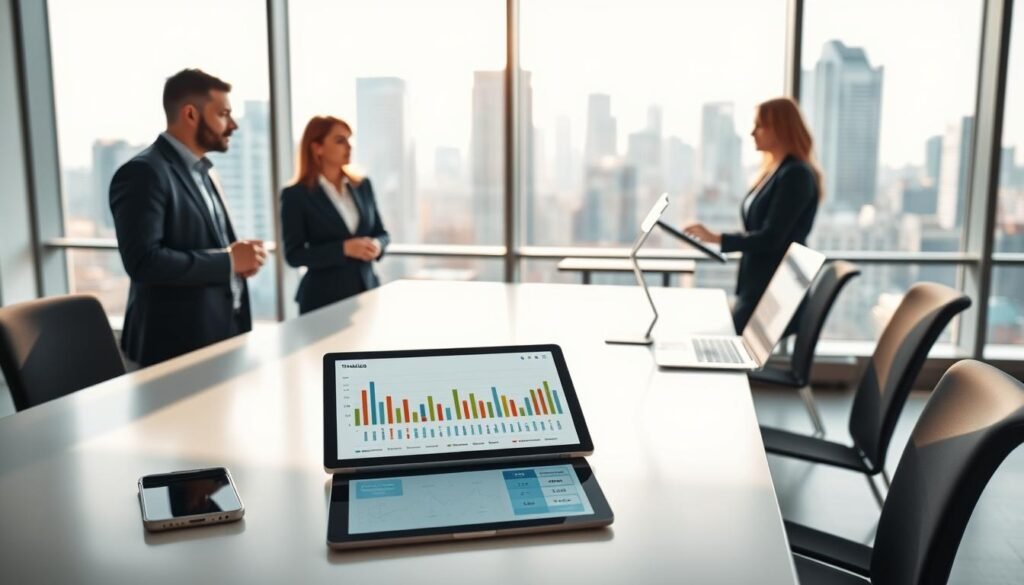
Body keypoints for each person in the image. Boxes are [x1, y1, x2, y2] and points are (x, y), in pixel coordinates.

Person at [109, 69, 266, 366]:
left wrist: (239, 260)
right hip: (172, 348)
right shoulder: (143, 173)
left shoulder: (206, 171)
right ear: (191, 114)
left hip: (219, 336)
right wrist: (229, 261)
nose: (232, 124)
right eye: (223, 114)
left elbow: (202, 244)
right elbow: (143, 262)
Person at [683, 97, 822, 333]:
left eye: (759, 125)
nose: (752, 132)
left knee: (722, 348)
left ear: (780, 128)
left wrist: (718, 238)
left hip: (774, 290)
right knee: (720, 342)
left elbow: (771, 237)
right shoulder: (775, 171)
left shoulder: (795, 174)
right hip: (758, 286)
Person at [280, 116, 390, 314]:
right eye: (340, 140)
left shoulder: (362, 186)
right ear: (317, 148)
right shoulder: (295, 195)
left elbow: (382, 233)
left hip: (367, 291)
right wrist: (343, 249)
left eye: (349, 140)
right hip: (322, 299)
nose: (349, 147)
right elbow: (294, 255)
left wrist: (377, 245)